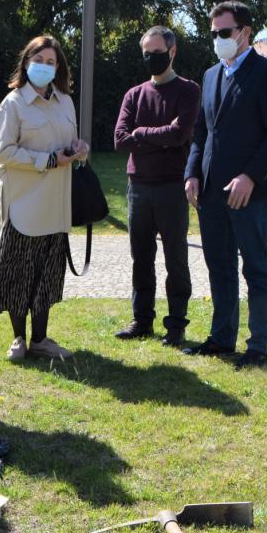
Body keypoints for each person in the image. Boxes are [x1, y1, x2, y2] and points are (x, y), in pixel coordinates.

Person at [183, 1, 267, 369]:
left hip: (251, 190)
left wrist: (250, 175)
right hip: (211, 190)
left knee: (256, 266)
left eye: (224, 33)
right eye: (213, 33)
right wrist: (192, 172)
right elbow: (201, 130)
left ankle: (258, 343)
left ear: (245, 32)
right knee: (219, 265)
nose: (218, 39)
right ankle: (221, 337)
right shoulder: (211, 74)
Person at [0, 35, 88, 361]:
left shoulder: (65, 102)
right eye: (38, 59)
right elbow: (4, 152)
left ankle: (41, 338)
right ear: (26, 62)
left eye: (50, 61)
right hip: (24, 203)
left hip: (56, 204)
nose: (44, 66)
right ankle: (19, 338)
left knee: (48, 274)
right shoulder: (12, 105)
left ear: (59, 68)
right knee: (19, 273)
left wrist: (78, 150)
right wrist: (50, 160)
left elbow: (68, 145)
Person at [113, 26, 201, 347]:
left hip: (172, 187)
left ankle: (176, 323)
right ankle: (142, 320)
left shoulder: (188, 90)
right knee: (141, 256)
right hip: (138, 187)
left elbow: (180, 133)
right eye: (146, 53)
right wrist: (155, 137)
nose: (151, 58)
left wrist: (141, 135)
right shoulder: (134, 95)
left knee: (175, 256)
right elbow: (120, 140)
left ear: (172, 51)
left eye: (157, 52)